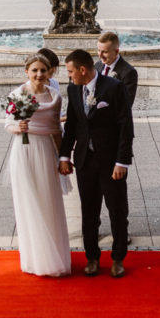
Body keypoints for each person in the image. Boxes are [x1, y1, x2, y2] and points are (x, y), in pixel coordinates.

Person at [59, 49, 134, 279]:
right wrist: (64, 157)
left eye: (71, 72)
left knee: (117, 211)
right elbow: (72, 125)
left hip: (112, 162)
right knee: (88, 211)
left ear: (83, 70)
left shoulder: (113, 87)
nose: (69, 76)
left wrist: (122, 161)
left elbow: (125, 126)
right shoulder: (73, 90)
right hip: (84, 161)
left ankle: (118, 258)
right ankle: (91, 257)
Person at [4, 54, 71, 277]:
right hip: (23, 152)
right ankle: (34, 258)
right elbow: (8, 124)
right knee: (28, 203)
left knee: (48, 201)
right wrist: (18, 127)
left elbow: (56, 130)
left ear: (49, 72)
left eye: (43, 70)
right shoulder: (17, 95)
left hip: (45, 151)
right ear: (27, 72)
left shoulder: (55, 97)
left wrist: (64, 158)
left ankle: (54, 257)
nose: (39, 74)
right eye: (34, 70)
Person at [95, 31, 138, 109]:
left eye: (105, 52)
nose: (100, 55)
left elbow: (126, 105)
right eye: (98, 50)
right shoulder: (97, 65)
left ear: (116, 51)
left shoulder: (129, 72)